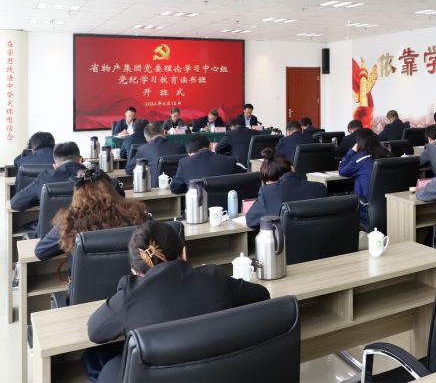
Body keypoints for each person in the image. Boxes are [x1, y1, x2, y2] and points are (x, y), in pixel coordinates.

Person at [86, 221, 269, 383]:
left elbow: (95, 331)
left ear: (135, 271)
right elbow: (262, 295)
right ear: (184, 253)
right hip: (213, 374)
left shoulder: (129, 296)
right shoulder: (214, 278)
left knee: (101, 362)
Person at [35, 168, 148, 261]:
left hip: (85, 282)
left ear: (76, 194)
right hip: (131, 279)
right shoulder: (135, 213)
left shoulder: (70, 221)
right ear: (111, 189)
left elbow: (41, 251)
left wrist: (67, 242)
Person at [245, 148, 327, 228]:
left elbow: (250, 220)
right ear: (292, 168)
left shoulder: (267, 193)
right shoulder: (320, 188)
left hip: (286, 237)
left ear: (269, 181)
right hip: (319, 236)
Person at [11, 142, 84, 214]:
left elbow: (16, 203)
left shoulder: (45, 178)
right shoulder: (90, 176)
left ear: (54, 165)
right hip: (87, 221)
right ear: (80, 160)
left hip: (55, 222)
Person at [338, 128, 391, 220]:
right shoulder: (387, 154)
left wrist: (352, 151)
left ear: (359, 143)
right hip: (389, 207)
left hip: (365, 209)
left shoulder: (361, 158)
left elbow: (342, 171)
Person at [170, 134, 244, 194]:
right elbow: (244, 179)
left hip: (198, 206)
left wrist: (188, 187)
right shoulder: (229, 161)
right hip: (227, 207)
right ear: (210, 145)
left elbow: (175, 188)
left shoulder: (184, 163)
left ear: (189, 153)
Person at [125, 122, 185, 187]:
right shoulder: (180, 147)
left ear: (146, 138)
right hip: (179, 188)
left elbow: (129, 169)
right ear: (164, 133)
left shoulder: (143, 149)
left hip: (156, 190)